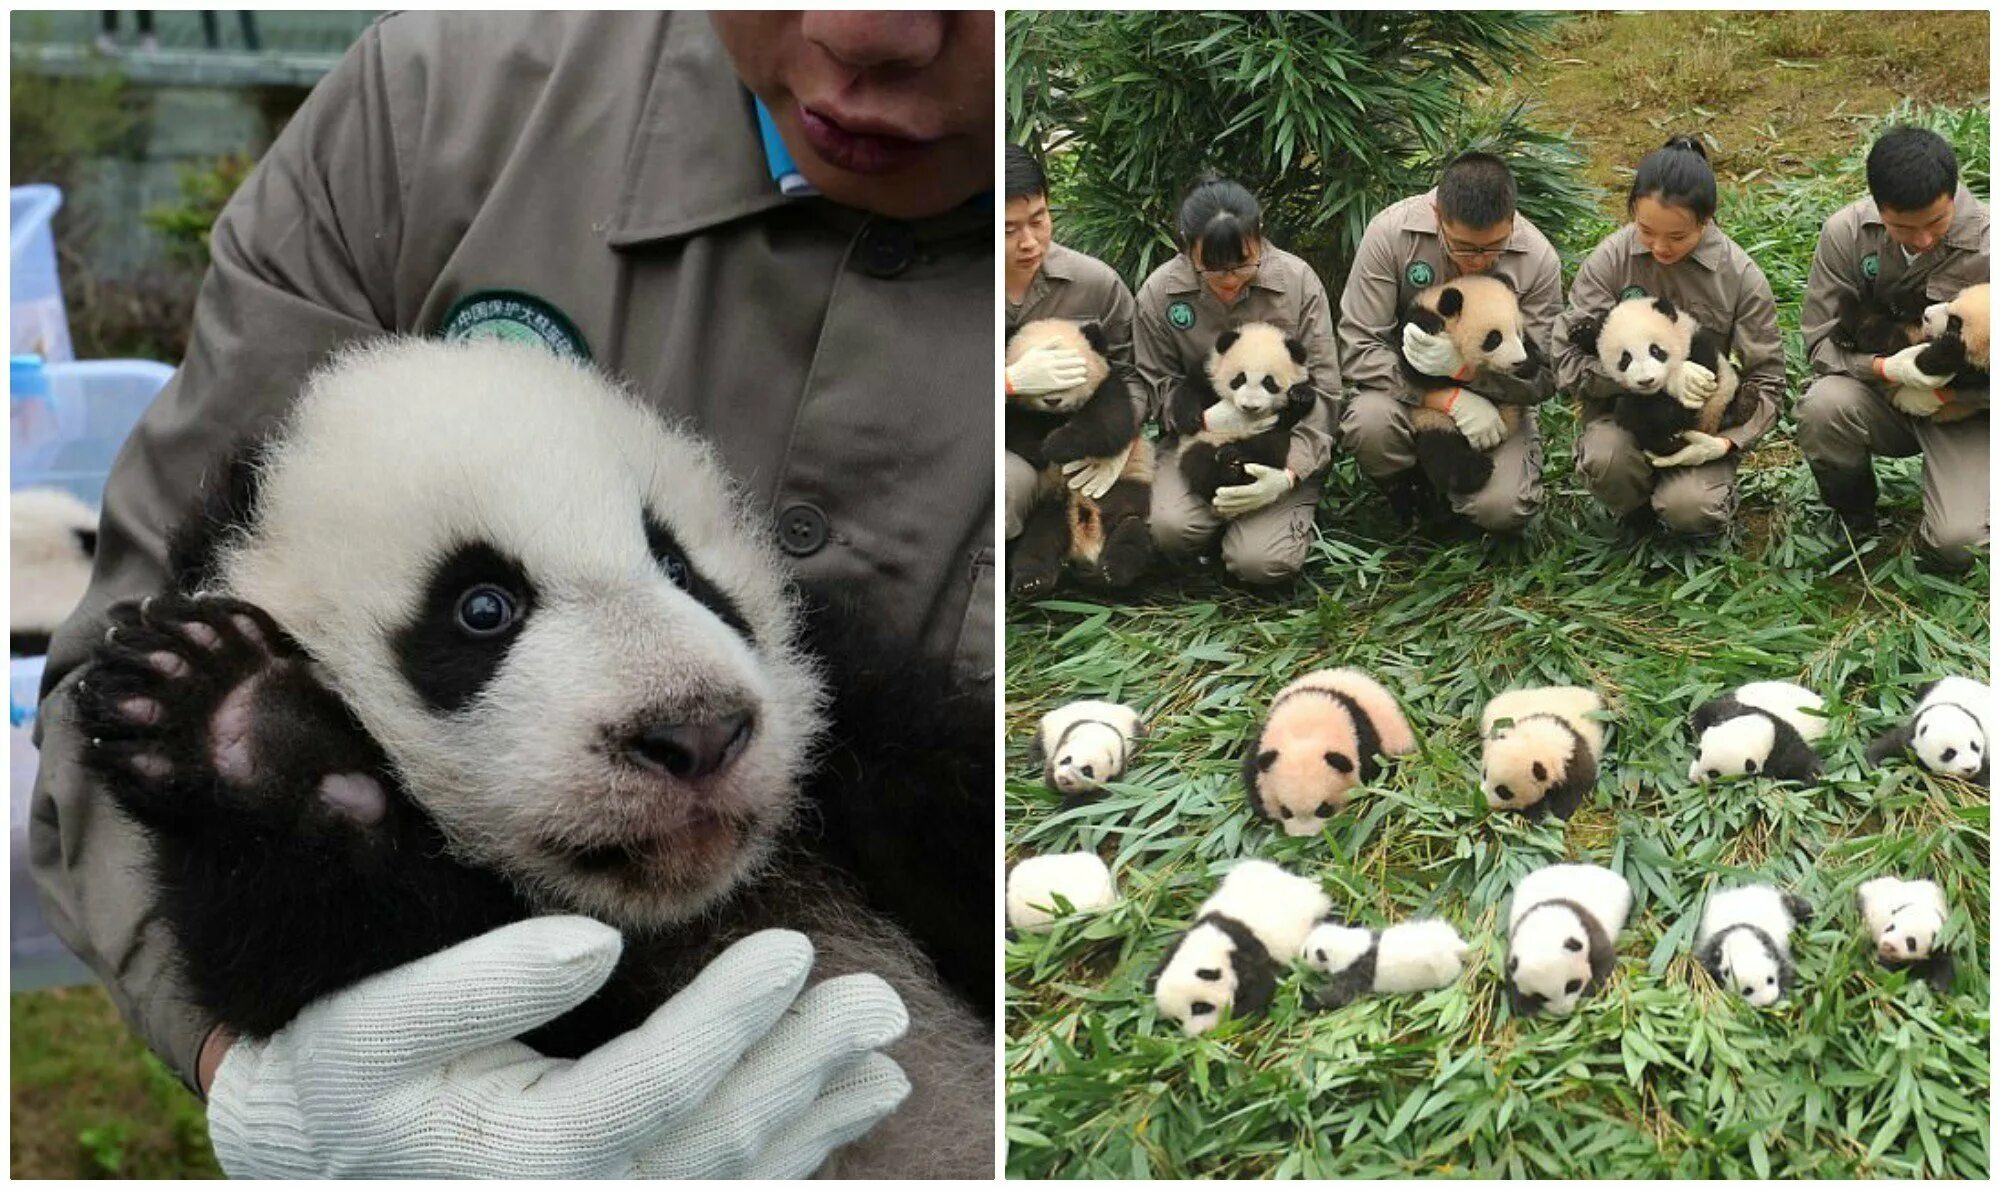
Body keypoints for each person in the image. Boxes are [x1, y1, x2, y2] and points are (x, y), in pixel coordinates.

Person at [29, 11, 994, 1178]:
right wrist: (263, 1081)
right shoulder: (426, 107)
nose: (866, 25)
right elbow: (125, 686)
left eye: (678, 568)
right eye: (482, 612)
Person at [1553, 137, 1784, 536]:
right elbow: (1565, 360)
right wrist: (1641, 375)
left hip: (1700, 424)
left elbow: (1769, 380)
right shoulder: (1610, 261)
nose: (1660, 247)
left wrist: (1726, 443)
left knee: (1689, 510)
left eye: (1677, 237)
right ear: (1630, 210)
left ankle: (1693, 500)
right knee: (1608, 460)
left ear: (1707, 218)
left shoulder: (1740, 278)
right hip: (1621, 416)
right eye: (1646, 231)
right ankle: (1635, 510)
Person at [1797, 125, 1990, 569]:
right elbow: (1820, 345)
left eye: (1935, 224)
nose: (1922, 240)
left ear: (1954, 193)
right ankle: (1855, 515)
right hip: (1884, 392)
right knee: (1823, 406)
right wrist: (1889, 369)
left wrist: (1946, 394)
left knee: (1956, 543)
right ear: (1877, 206)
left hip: (1968, 411)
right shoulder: (1845, 234)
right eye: (1903, 227)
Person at [1338, 152, 1563, 532]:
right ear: (1437, 214)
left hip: (1499, 404)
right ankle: (1405, 489)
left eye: (1493, 247)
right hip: (1404, 394)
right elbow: (1358, 345)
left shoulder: (1538, 259)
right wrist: (1442, 397)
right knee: (1368, 422)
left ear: (1513, 221)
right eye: (1463, 246)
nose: (1477, 261)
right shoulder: (1390, 234)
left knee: (1503, 509)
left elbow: (1545, 377)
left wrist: (1467, 375)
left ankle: (1464, 499)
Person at [1134, 177, 1341, 585]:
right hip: (1201, 442)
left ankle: (1270, 517)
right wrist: (1204, 420)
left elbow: (1327, 391)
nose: (1229, 279)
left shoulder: (1297, 282)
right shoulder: (1160, 294)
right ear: (1185, 246)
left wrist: (1290, 474)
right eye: (1212, 267)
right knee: (1168, 528)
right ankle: (1210, 535)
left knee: (1260, 564)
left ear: (1259, 236)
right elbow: (1153, 384)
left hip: (1280, 441)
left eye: (1242, 263)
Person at [1002, 143, 1145, 543]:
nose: (1029, 241)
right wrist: (1006, 383)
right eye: (1008, 229)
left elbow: (1133, 374)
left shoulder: (1097, 285)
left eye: (1039, 219)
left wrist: (1121, 442)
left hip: (1088, 440)